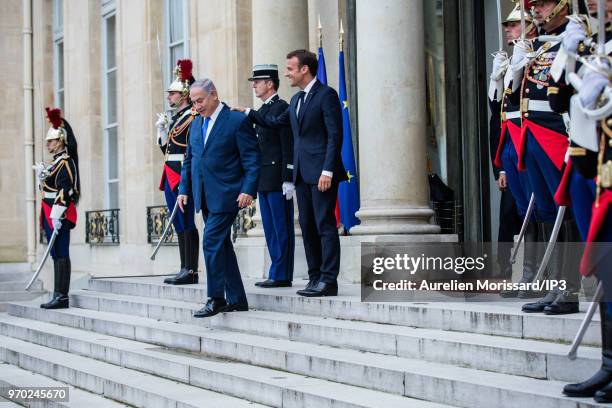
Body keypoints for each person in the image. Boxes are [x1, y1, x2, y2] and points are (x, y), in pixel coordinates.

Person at [234, 49, 346, 297]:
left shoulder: (326, 95)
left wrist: (327, 169)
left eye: (290, 69)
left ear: (304, 69)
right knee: (307, 226)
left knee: (324, 225)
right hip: (303, 175)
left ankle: (329, 280)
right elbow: (276, 124)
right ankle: (314, 277)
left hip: (322, 174)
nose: (286, 74)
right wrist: (246, 112)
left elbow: (334, 135)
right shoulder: (295, 101)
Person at [508, 0, 582, 314]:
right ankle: (553, 286)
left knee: (565, 213)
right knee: (546, 213)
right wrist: (515, 68)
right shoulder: (536, 44)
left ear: (563, 5)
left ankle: (568, 289)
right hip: (532, 133)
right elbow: (516, 93)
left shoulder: (572, 35)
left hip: (556, 134)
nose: (536, 10)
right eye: (535, 5)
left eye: (544, 3)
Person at [178, 78, 260, 318]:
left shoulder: (236, 120)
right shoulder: (195, 125)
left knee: (211, 241)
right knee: (222, 245)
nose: (197, 106)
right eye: (193, 102)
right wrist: (184, 189)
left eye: (200, 100)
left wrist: (248, 189)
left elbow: (252, 158)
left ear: (214, 94)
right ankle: (237, 299)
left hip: (228, 194)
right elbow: (189, 160)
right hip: (203, 194)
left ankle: (216, 298)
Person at [489, 4, 540, 297]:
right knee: (522, 212)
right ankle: (525, 274)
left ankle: (547, 277)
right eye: (507, 25)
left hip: (533, 142)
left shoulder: (536, 56)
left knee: (541, 210)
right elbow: (499, 114)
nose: (508, 29)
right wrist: (498, 79)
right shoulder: (511, 61)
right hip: (512, 145)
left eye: (513, 24)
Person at [247, 64, 295, 288]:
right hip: (264, 178)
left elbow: (287, 144)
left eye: (258, 81)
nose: (254, 85)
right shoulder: (265, 110)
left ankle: (282, 273)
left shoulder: (281, 107)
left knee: (281, 227)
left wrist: (288, 177)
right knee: (269, 227)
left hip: (277, 177)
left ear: (270, 84)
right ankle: (276, 270)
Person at [156, 59, 200, 285]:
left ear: (184, 94)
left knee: (185, 219)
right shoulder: (176, 118)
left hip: (183, 172)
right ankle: (184, 266)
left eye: (172, 94)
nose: (169, 97)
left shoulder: (192, 115)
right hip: (170, 171)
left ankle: (191, 269)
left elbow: (189, 149)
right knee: (178, 222)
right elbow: (168, 149)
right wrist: (163, 131)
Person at [36, 107, 80, 309]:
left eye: (51, 141)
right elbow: (47, 188)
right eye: (48, 141)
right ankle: (57, 294)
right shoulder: (54, 164)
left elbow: (66, 189)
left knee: (61, 252)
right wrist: (41, 178)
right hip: (49, 210)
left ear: (61, 141)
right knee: (55, 254)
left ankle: (62, 296)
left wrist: (57, 214)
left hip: (58, 213)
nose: (48, 144)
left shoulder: (66, 162)